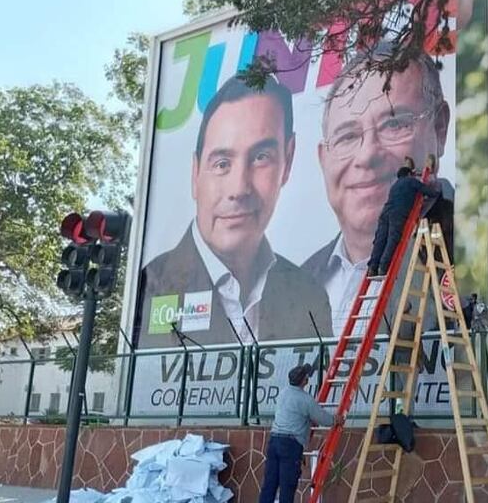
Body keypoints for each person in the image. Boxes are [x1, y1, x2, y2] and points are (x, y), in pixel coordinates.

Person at [136, 77, 332, 347]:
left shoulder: (308, 296)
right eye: (222, 164)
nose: (239, 189)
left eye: (261, 157)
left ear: (287, 161)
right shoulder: (151, 284)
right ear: (195, 173)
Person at [303, 41, 454, 333]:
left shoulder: (463, 241)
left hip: (394, 227)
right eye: (347, 137)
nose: (367, 155)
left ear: (440, 128)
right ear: (323, 159)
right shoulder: (298, 280)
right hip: (392, 225)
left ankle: (376, 268)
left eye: (394, 125)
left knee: (385, 245)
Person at [259, 363, 342, 503]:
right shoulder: (305, 399)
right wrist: (336, 420)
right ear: (305, 380)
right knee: (287, 487)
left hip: (274, 441)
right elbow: (322, 418)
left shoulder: (283, 393)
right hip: (291, 445)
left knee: (269, 485)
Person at [367, 166, 441, 278]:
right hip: (397, 214)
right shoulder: (411, 181)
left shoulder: (394, 185)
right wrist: (437, 190)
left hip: (385, 213)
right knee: (392, 239)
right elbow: (429, 192)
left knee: (380, 240)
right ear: (409, 174)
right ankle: (383, 267)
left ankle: (372, 267)